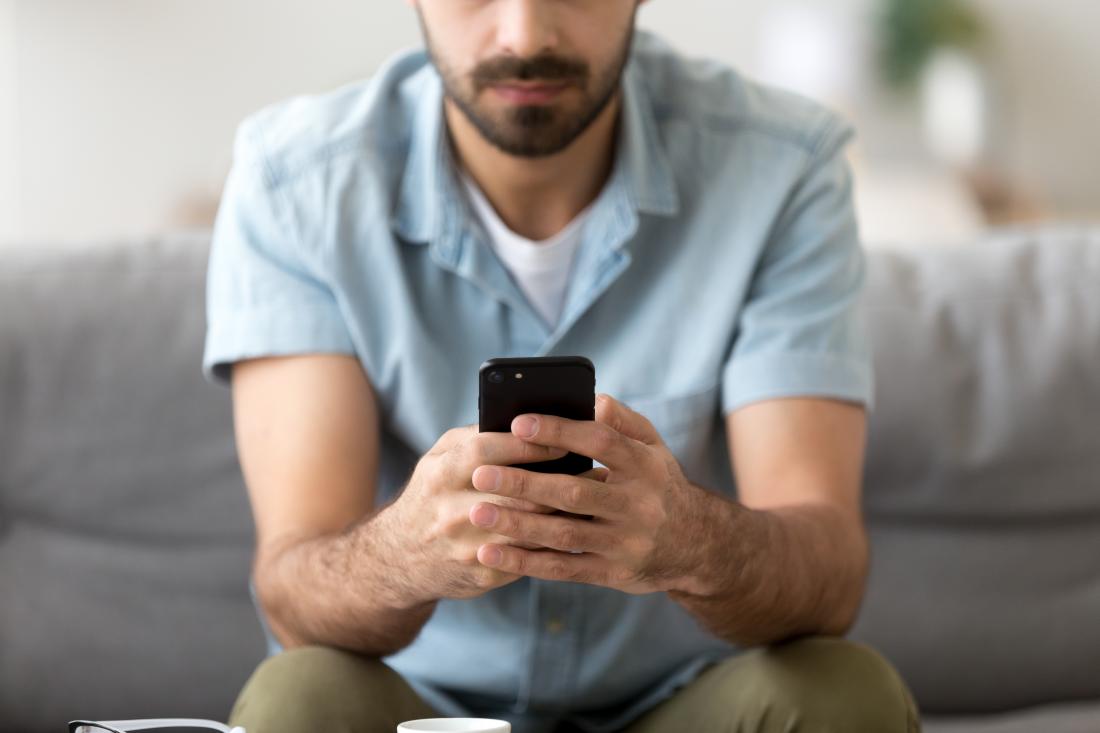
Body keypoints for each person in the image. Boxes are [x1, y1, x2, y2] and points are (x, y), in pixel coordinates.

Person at [202, 1, 920, 731]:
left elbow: (829, 578)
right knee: (299, 698)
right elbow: (292, 593)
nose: (525, 36)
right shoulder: (295, 188)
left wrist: (688, 541)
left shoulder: (781, 168)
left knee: (842, 692)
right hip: (426, 711)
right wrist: (405, 554)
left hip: (683, 700)